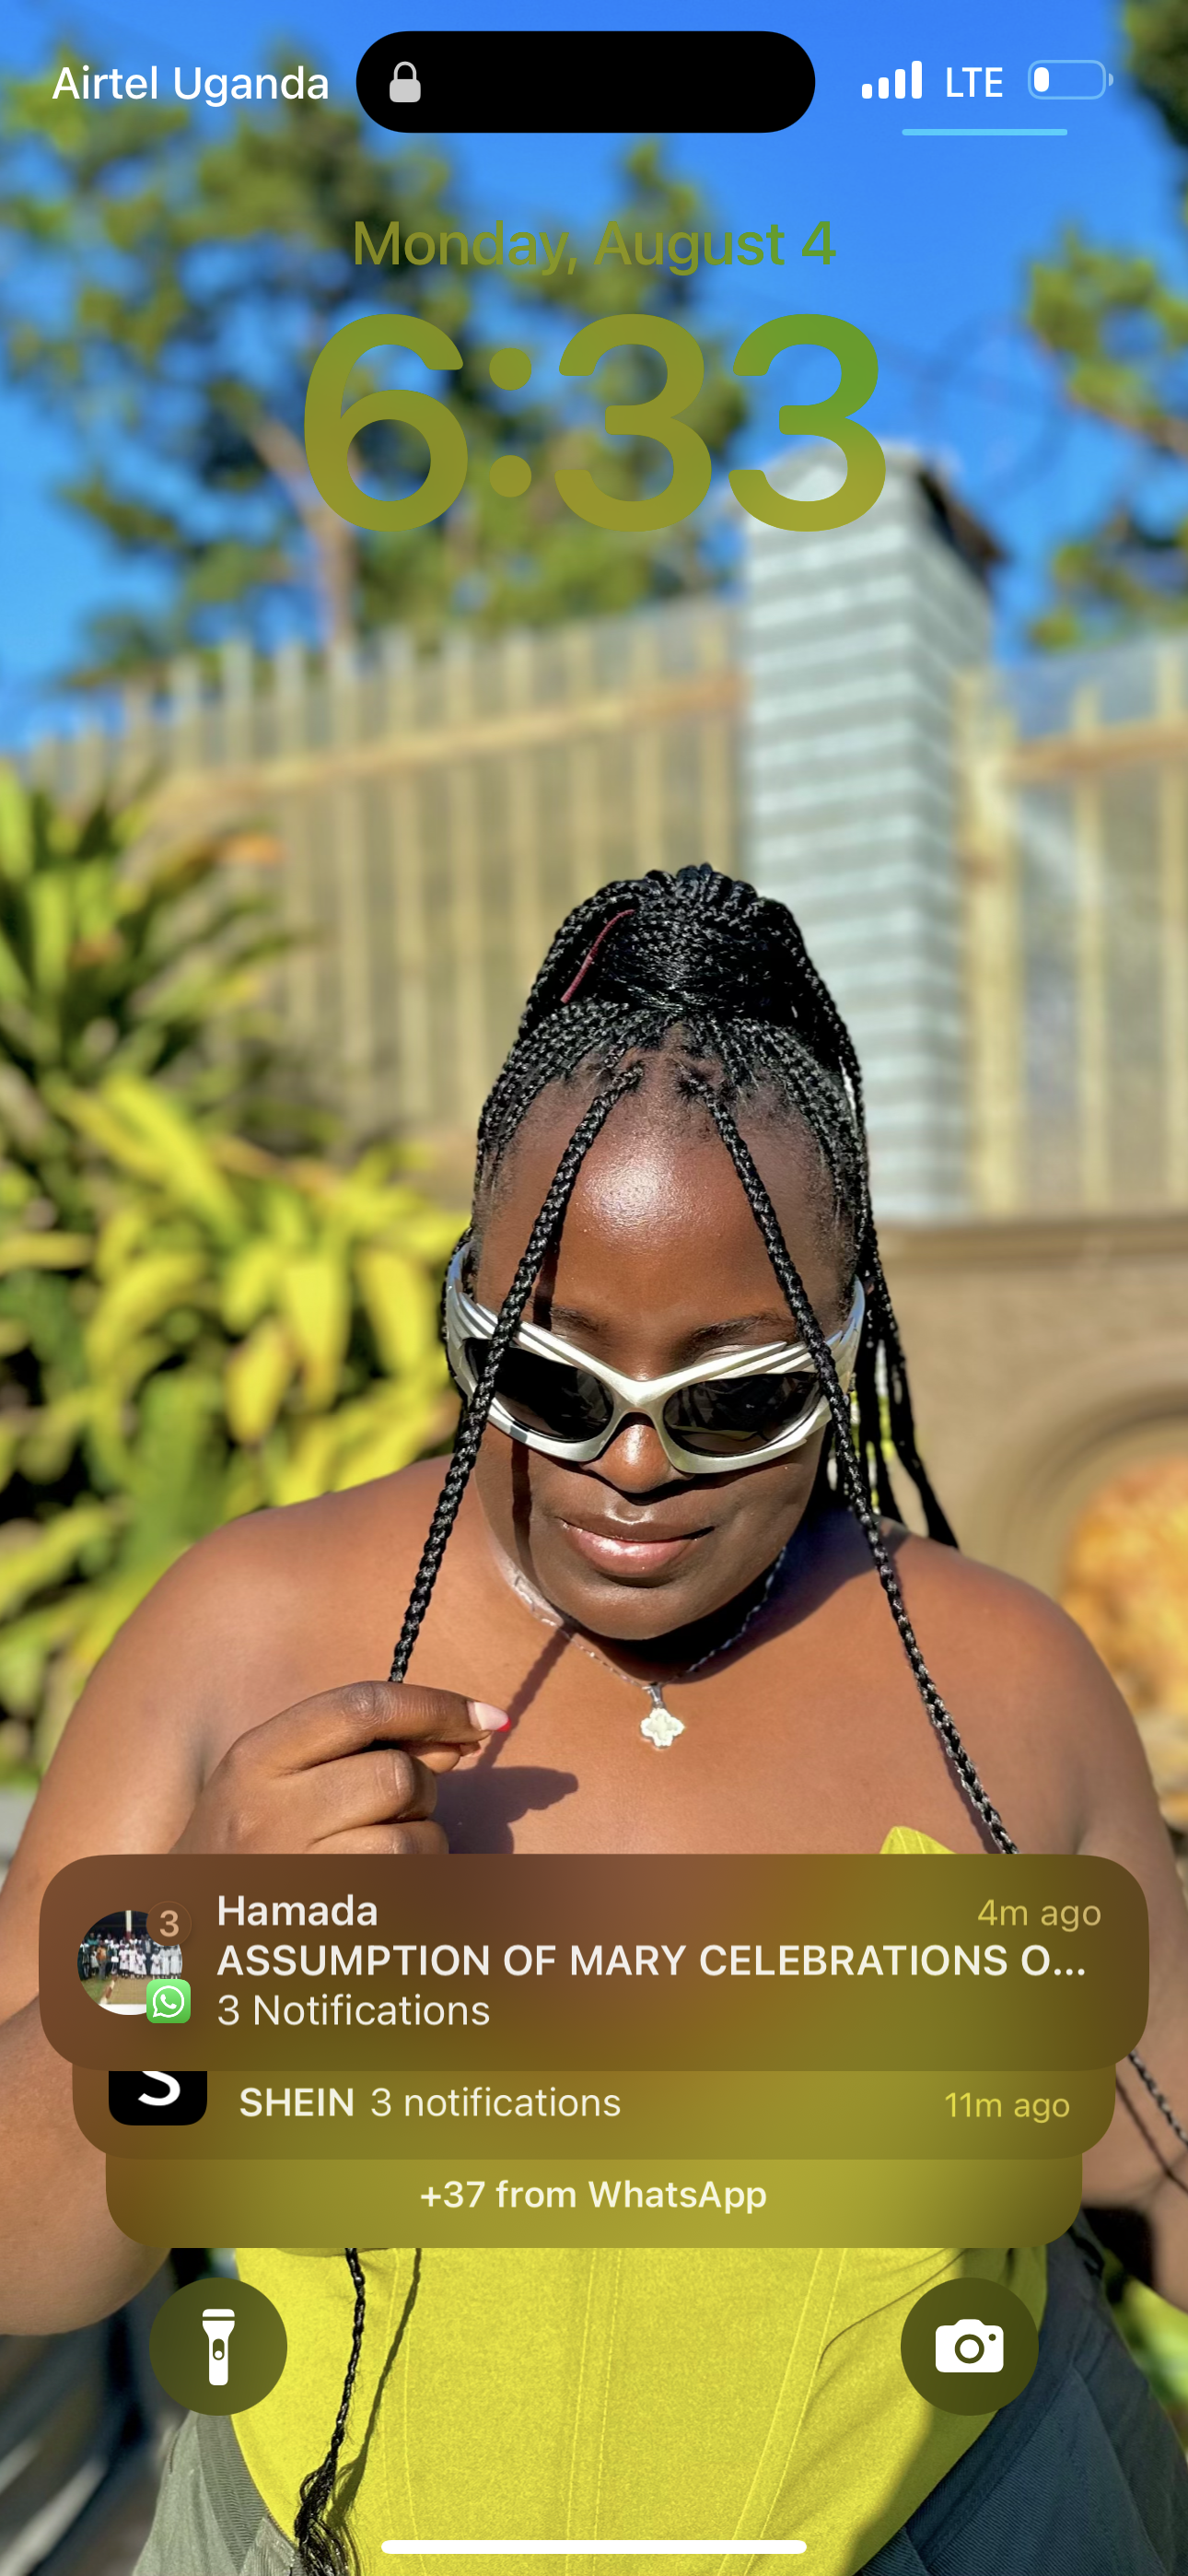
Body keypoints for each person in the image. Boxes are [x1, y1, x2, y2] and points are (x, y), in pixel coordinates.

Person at [1, 866, 1187, 2576]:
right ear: (462, 1312)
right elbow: (31, 2260)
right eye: (550, 1382)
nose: (632, 1466)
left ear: (846, 1351)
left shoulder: (997, 1677)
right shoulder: (241, 1633)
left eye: (735, 1400)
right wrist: (194, 1942)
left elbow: (1150, 2166)